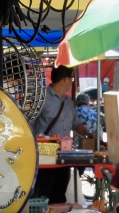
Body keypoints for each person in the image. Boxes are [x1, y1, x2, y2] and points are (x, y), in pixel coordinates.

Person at [31, 65, 90, 203]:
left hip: (64, 157)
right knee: (44, 194)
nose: (71, 82)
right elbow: (29, 123)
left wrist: (91, 135)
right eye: (71, 79)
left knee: (60, 193)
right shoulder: (42, 99)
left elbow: (76, 124)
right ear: (65, 79)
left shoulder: (69, 103)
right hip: (44, 158)